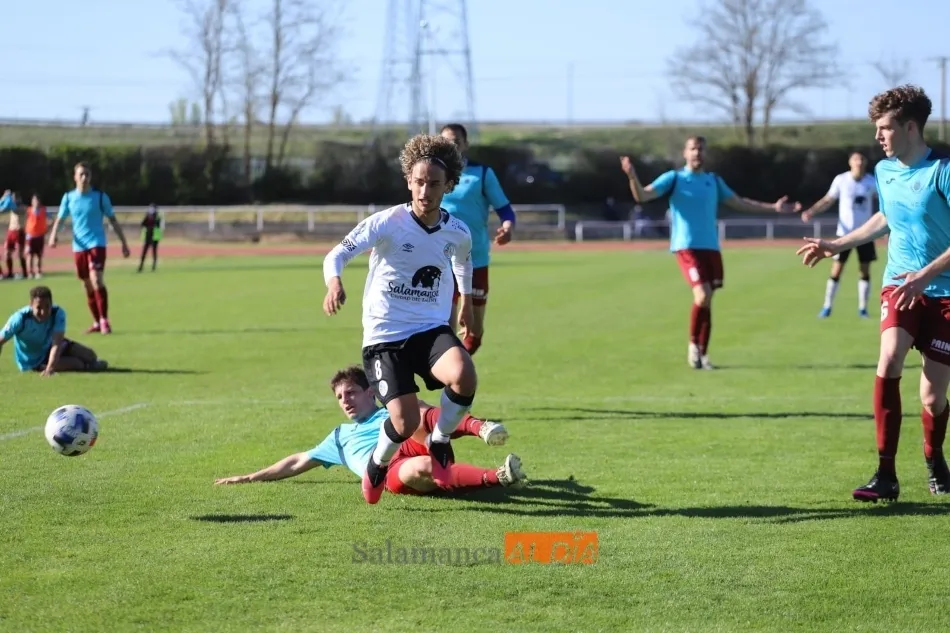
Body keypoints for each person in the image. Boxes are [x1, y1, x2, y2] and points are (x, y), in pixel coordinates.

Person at [797, 84, 950, 502]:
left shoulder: (942, 171)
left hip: (944, 292)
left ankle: (934, 457)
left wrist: (926, 275)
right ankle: (886, 474)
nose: (878, 136)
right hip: (899, 284)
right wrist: (837, 244)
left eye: (885, 127)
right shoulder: (884, 171)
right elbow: (886, 217)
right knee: (890, 358)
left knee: (933, 398)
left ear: (911, 127)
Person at [323, 132, 477, 505]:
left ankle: (440, 438)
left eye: (434, 184)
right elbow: (336, 254)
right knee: (405, 423)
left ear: (448, 186)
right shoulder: (387, 222)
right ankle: (378, 464)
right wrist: (334, 283)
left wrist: (467, 303)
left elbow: (463, 262)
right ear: (408, 180)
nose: (425, 191)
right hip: (385, 337)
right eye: (419, 182)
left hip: (430, 329)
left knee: (464, 374)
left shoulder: (458, 231)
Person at [620, 137, 801, 370]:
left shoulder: (713, 181)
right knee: (702, 295)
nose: (697, 153)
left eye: (701, 149)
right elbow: (643, 196)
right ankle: (693, 347)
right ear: (685, 153)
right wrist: (632, 177)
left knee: (707, 301)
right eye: (693, 149)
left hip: (711, 247)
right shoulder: (674, 178)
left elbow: (740, 203)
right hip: (687, 246)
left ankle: (703, 354)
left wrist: (773, 207)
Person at [214, 366, 527, 494]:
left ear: (370, 393)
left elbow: (429, 418)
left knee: (413, 411)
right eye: (340, 397)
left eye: (350, 393)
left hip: (417, 439)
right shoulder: (339, 437)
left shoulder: (390, 410)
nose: (345, 401)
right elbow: (297, 461)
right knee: (422, 466)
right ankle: (498, 476)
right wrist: (250, 477)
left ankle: (480, 427)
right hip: (390, 471)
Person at [439, 123, 517, 355]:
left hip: (476, 258)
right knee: (445, 328)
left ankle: (458, 363)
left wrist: (507, 228)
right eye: (445, 142)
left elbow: (505, 210)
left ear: (465, 144)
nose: (450, 146)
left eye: (455, 141)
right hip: (441, 258)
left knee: (474, 331)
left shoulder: (481, 174)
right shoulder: (432, 173)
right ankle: (450, 369)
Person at [48, 161, 131, 335]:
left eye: (87, 174)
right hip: (79, 247)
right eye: (81, 174)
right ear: (75, 177)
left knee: (96, 280)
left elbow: (113, 220)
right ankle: (96, 321)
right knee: (86, 285)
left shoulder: (100, 197)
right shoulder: (69, 198)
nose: (84, 177)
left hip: (96, 244)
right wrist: (53, 235)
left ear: (91, 177)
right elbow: (60, 218)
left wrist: (124, 243)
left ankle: (104, 320)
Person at [800, 152, 879, 318]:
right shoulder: (841, 180)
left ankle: (863, 309)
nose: (859, 162)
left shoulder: (872, 181)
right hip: (844, 235)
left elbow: (883, 201)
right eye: (856, 159)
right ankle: (827, 307)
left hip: (865, 234)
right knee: (836, 270)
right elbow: (828, 199)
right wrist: (812, 211)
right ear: (850, 162)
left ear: (865, 162)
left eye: (862, 159)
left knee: (864, 271)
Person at [0, 285, 108, 376]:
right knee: (77, 364)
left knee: (91, 355)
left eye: (47, 306)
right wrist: (49, 368)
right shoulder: (20, 318)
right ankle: (87, 366)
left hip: (50, 346)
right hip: (33, 361)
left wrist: (50, 368)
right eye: (39, 308)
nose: (43, 312)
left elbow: (57, 343)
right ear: (31, 305)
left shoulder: (57, 313)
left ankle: (90, 363)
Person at [1, 190, 27, 280]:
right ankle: (10, 273)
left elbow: (16, 211)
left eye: (15, 198)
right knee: (7, 253)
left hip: (19, 231)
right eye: (12, 198)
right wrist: (4, 197)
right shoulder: (11, 206)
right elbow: (2, 209)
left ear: (19, 199)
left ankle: (24, 273)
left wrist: (8, 201)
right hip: (11, 231)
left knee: (20, 254)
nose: (13, 200)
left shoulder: (22, 207)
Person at [25, 194, 49, 279]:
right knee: (30, 255)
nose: (36, 202)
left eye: (37, 200)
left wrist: (47, 228)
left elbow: (50, 219)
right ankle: (30, 272)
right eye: (34, 200)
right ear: (32, 202)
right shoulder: (28, 210)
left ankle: (38, 271)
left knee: (39, 255)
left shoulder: (43, 210)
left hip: (40, 236)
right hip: (30, 236)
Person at [138, 203, 164, 272]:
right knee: (144, 251)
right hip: (148, 235)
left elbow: (158, 224)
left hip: (155, 236)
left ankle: (154, 266)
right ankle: (141, 266)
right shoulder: (147, 216)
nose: (150, 209)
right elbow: (143, 224)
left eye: (152, 208)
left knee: (154, 251)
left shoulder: (157, 216)